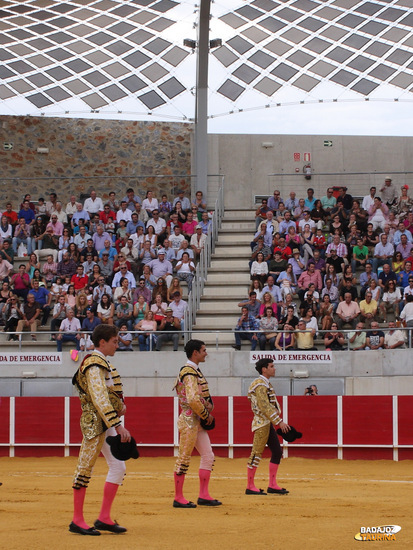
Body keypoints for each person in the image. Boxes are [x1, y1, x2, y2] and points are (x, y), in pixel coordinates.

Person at [70, 324, 131, 535]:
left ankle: (104, 517)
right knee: (85, 468)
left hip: (105, 422)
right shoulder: (94, 364)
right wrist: (118, 424)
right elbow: (99, 397)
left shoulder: (101, 363)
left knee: (118, 467)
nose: (117, 345)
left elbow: (109, 395)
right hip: (96, 423)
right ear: (102, 342)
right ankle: (77, 520)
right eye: (115, 341)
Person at [173, 339, 221, 508]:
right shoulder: (189, 372)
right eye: (203, 350)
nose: (206, 353)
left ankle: (204, 495)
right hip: (189, 420)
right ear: (195, 353)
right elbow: (193, 399)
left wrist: (206, 408)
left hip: (196, 421)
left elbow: (198, 397)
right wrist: (206, 414)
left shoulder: (193, 371)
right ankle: (178, 497)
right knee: (184, 458)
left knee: (208, 456)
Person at [246, 358, 290, 495]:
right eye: (271, 366)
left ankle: (272, 484)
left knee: (277, 451)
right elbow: (264, 406)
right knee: (256, 453)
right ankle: (250, 486)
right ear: (264, 369)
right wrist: (279, 422)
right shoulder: (260, 384)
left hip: (267, 422)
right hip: (261, 423)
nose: (274, 368)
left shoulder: (264, 383)